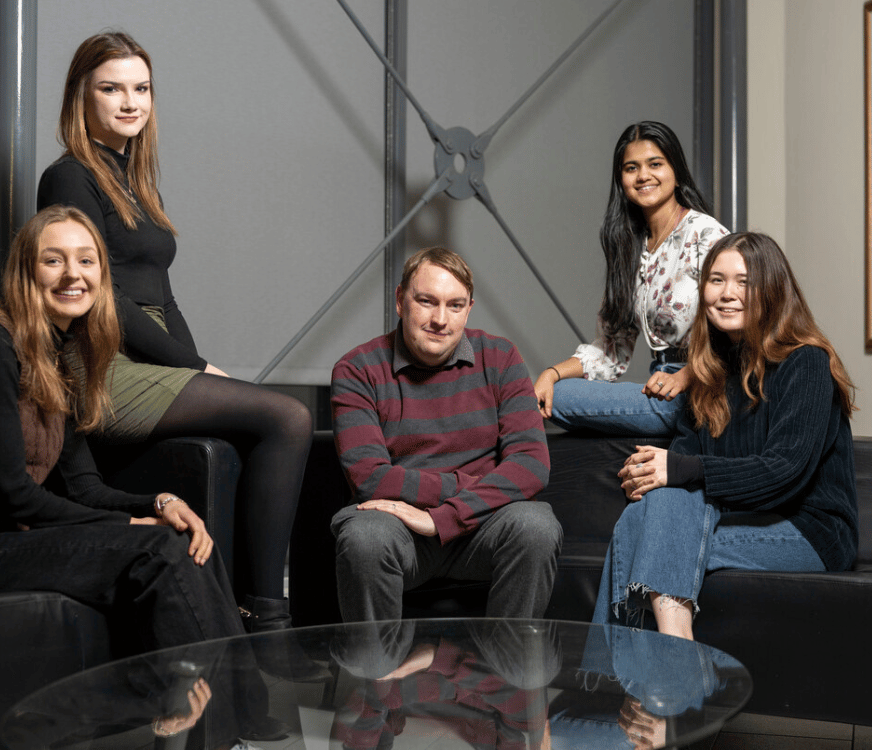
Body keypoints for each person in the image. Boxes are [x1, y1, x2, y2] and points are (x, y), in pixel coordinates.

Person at [36, 32, 317, 671]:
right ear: (81, 96)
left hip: (146, 351)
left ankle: (243, 620)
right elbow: (101, 297)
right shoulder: (69, 176)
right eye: (111, 88)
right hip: (102, 365)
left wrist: (202, 362)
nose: (129, 102)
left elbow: (161, 293)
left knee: (260, 428)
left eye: (141, 88)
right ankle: (267, 624)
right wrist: (192, 369)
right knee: (289, 416)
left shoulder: (131, 176)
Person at [0, 205, 245, 652]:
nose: (73, 275)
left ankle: (242, 714)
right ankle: (225, 715)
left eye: (86, 260)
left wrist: (160, 503)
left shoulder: (57, 357)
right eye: (53, 260)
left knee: (185, 538)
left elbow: (84, 487)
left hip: (8, 539)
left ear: (102, 274)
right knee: (158, 548)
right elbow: (15, 494)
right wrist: (128, 521)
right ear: (26, 271)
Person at [593, 232, 858, 640]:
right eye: (716, 280)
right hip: (732, 517)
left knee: (651, 538)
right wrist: (653, 476)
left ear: (771, 289)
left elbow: (783, 473)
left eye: (744, 281)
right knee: (648, 514)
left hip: (810, 531)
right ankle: (662, 679)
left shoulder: (806, 363)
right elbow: (681, 474)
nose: (728, 293)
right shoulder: (707, 375)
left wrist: (677, 469)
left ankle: (641, 675)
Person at [330, 247, 563, 622]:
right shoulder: (358, 369)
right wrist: (467, 489)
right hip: (398, 525)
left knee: (536, 525)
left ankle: (506, 673)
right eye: (426, 301)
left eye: (455, 306)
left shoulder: (500, 357)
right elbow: (370, 477)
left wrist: (445, 517)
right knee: (365, 536)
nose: (440, 319)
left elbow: (532, 466)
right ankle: (374, 676)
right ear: (401, 301)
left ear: (469, 308)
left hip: (481, 525)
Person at [534, 121, 728, 436]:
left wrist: (685, 377)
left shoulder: (706, 234)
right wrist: (552, 374)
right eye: (631, 168)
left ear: (675, 170)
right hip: (658, 385)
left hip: (701, 387)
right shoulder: (629, 247)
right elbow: (611, 349)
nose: (643, 176)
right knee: (555, 393)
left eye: (655, 164)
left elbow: (740, 331)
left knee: (564, 400)